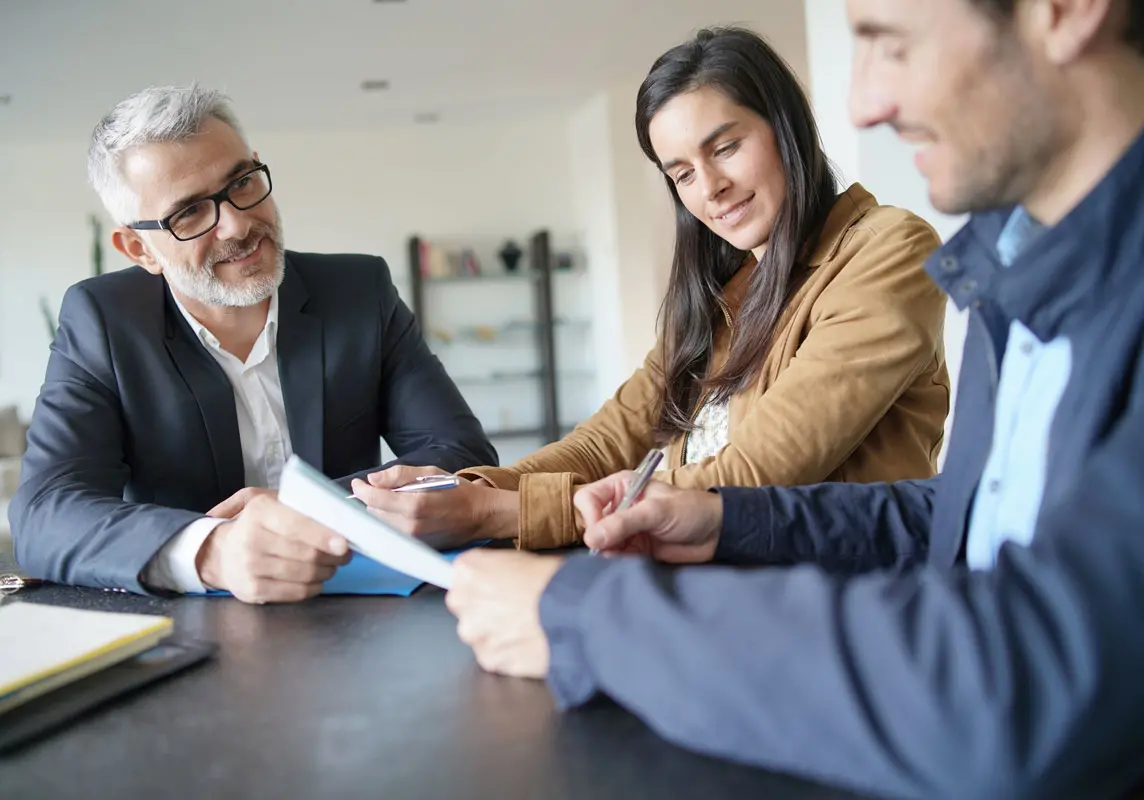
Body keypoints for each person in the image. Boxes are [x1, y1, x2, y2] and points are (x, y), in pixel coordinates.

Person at [445, 3, 1144, 797]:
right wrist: (471, 493)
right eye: (681, 171)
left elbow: (1020, 680)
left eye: (891, 43)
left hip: (868, 669)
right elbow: (962, 515)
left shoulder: (903, 252)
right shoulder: (1009, 265)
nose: (861, 105)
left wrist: (583, 610)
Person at [352, 28, 950, 551]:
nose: (710, 188)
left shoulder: (889, 250)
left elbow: (755, 475)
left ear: (786, 128)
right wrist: (466, 489)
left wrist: (497, 512)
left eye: (726, 147)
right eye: (683, 173)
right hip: (734, 592)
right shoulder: (728, 293)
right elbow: (605, 442)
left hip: (850, 601)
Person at [9, 85, 496, 604]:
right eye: (190, 213)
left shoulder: (360, 291)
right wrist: (213, 550)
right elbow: (45, 512)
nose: (238, 224)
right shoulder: (103, 322)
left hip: (364, 607)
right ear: (138, 248)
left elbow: (460, 454)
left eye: (241, 182)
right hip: (197, 635)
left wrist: (305, 508)